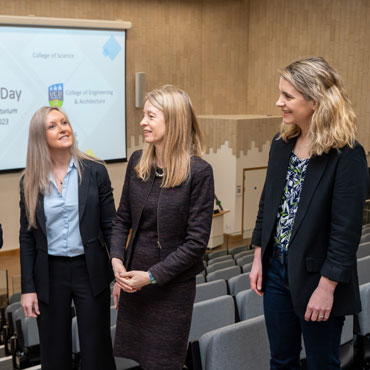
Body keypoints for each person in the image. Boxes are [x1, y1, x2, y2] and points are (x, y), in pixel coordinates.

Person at [250, 56, 369, 369]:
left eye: (288, 96)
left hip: (319, 279)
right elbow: (267, 205)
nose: (279, 103)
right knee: (281, 360)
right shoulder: (281, 143)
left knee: (321, 364)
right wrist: (258, 257)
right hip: (276, 270)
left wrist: (327, 288)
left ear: (315, 100)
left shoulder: (347, 155)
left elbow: (346, 232)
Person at [110, 85, 214, 370]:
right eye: (144, 115)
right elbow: (122, 220)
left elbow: (196, 244)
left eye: (151, 116)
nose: (143, 122)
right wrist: (117, 263)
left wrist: (151, 277)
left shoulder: (199, 172)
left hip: (170, 290)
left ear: (174, 120)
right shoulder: (137, 163)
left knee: (164, 363)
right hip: (134, 285)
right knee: (142, 362)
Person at [19, 106, 116, 370]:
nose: (63, 128)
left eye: (64, 122)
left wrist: (119, 271)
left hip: (90, 269)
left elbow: (111, 226)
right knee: (54, 353)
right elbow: (27, 238)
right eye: (53, 126)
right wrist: (28, 288)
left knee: (97, 351)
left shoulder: (95, 171)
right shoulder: (29, 180)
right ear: (40, 137)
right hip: (49, 274)